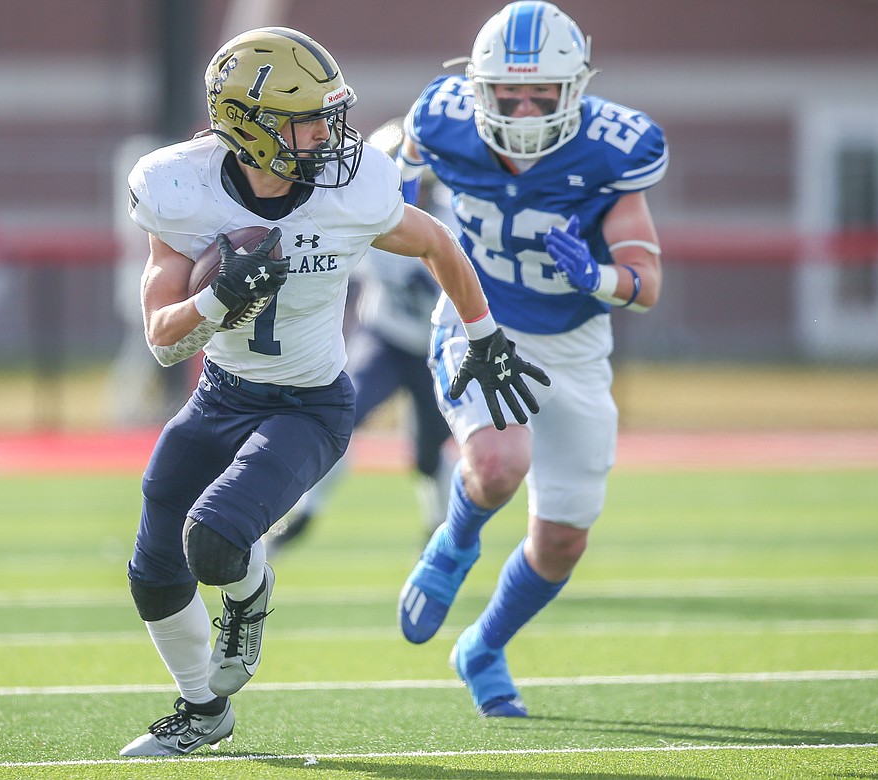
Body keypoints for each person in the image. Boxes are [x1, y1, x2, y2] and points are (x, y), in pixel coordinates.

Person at [120, 26, 549, 757]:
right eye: (307, 119)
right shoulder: (180, 186)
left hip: (308, 406)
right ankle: (202, 714)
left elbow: (440, 244)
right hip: (221, 394)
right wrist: (219, 301)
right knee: (153, 568)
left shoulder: (353, 190)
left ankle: (249, 596)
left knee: (216, 544)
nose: (329, 134)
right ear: (248, 128)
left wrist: (483, 337)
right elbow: (164, 338)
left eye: (330, 112)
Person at [395, 1, 668, 718]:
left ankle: (481, 647)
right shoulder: (442, 117)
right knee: (496, 465)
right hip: (480, 318)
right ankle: (453, 546)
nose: (520, 106)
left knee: (562, 544)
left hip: (575, 348)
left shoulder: (614, 147)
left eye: (540, 91)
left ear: (573, 88)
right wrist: (392, 212)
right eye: (506, 91)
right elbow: (401, 180)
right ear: (477, 86)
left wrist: (598, 278)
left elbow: (646, 282)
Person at [263, 118, 456, 555]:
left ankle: (439, 530)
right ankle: (304, 515)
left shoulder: (453, 225)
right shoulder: (359, 219)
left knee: (429, 450)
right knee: (338, 420)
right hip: (384, 336)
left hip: (436, 346)